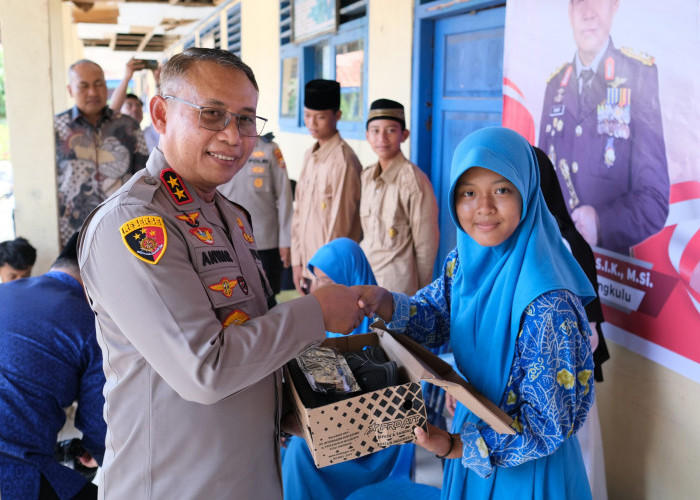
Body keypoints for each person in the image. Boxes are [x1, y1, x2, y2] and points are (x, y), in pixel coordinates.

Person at [77, 48, 363, 499]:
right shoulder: (134, 225)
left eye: (246, 119)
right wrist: (317, 312)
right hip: (176, 486)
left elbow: (254, 335)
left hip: (248, 475)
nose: (233, 136)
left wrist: (324, 395)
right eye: (212, 114)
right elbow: (205, 369)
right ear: (161, 114)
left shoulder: (229, 216)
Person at [356, 127, 596, 499]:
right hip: (470, 436)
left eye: (502, 190)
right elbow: (435, 316)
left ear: (527, 193)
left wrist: (455, 446)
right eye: (468, 193)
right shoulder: (464, 264)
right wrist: (382, 301)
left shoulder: (549, 305)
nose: (483, 207)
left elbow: (546, 427)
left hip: (525, 472)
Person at [538, 0, 669, 255]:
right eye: (578, 2)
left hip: (613, 272)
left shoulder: (639, 76)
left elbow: (654, 200)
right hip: (558, 258)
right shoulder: (555, 85)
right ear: (570, 11)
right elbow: (543, 182)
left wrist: (601, 222)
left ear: (615, 5)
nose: (587, 13)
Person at [282, 237, 402, 500]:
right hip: (332, 421)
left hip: (370, 440)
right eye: (317, 279)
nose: (318, 288)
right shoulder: (322, 325)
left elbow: (369, 406)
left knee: (300, 454)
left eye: (327, 281)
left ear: (351, 278)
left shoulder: (380, 332)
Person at [0, 233, 106, 500]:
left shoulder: (5, 291)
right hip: (13, 471)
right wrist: (97, 451)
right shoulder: (91, 325)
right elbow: (100, 427)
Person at [536, 146, 609, 499]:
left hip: (569, 386)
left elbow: (590, 334)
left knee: (579, 465)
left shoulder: (568, 244)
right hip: (534, 397)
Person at [55, 59, 149, 247]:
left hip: (122, 226)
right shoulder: (57, 128)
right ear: (70, 90)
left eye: (98, 84)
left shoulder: (128, 126)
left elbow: (145, 175)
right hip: (72, 231)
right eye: (84, 86)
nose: (93, 92)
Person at [360, 98, 439, 295]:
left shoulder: (413, 180)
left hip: (398, 287)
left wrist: (420, 293)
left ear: (404, 135)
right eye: (375, 131)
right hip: (367, 279)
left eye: (391, 130)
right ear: (367, 136)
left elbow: (426, 245)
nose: (382, 138)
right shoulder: (367, 176)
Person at [291, 79, 362, 295]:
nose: (312, 123)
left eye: (320, 117)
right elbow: (299, 213)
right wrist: (297, 262)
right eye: (307, 115)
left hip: (330, 274)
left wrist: (322, 275)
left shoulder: (344, 161)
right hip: (308, 266)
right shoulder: (309, 156)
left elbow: (340, 225)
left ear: (337, 115)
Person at [218, 132, 293, 308]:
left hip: (265, 242)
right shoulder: (219, 147)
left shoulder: (269, 149)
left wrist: (286, 240)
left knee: (267, 299)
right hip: (227, 240)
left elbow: (284, 197)